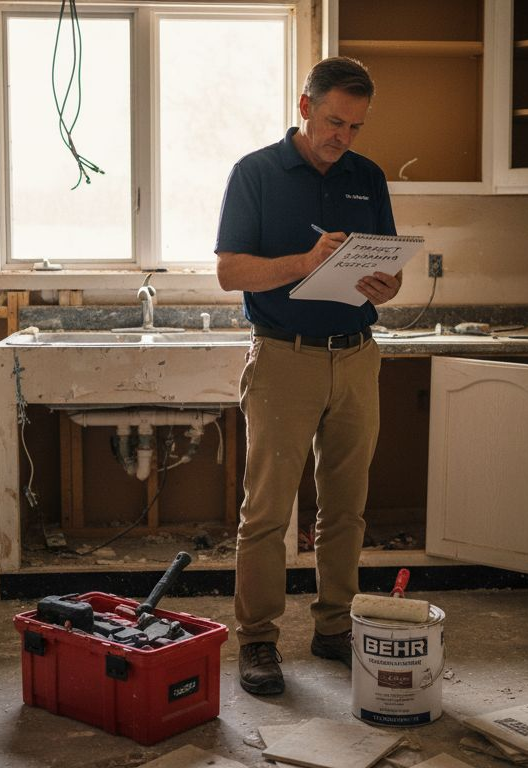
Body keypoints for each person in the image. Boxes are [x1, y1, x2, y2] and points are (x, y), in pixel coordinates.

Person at [214, 56, 401, 696]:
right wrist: (304, 262)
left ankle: (335, 628)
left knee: (346, 508)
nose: (342, 136)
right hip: (283, 358)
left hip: (357, 355)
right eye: (334, 122)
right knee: (267, 511)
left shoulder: (367, 177)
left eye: (355, 126)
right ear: (304, 108)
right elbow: (230, 272)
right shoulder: (256, 173)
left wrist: (388, 284)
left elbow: (389, 269)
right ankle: (258, 640)